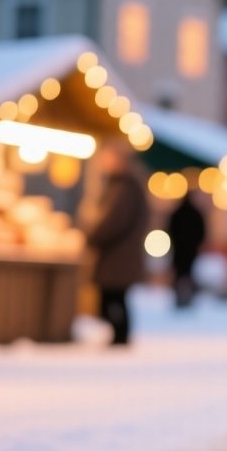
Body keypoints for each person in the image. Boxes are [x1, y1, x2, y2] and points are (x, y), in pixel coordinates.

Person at [84, 144, 150, 346]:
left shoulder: (124, 188)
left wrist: (93, 236)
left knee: (113, 297)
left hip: (118, 255)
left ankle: (120, 336)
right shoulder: (126, 186)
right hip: (120, 256)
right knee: (116, 297)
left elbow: (114, 221)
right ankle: (119, 336)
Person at [166, 192, 206, 308]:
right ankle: (188, 298)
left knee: (179, 274)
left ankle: (179, 298)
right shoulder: (196, 213)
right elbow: (201, 231)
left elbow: (170, 229)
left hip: (179, 249)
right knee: (189, 274)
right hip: (190, 250)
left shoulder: (177, 213)